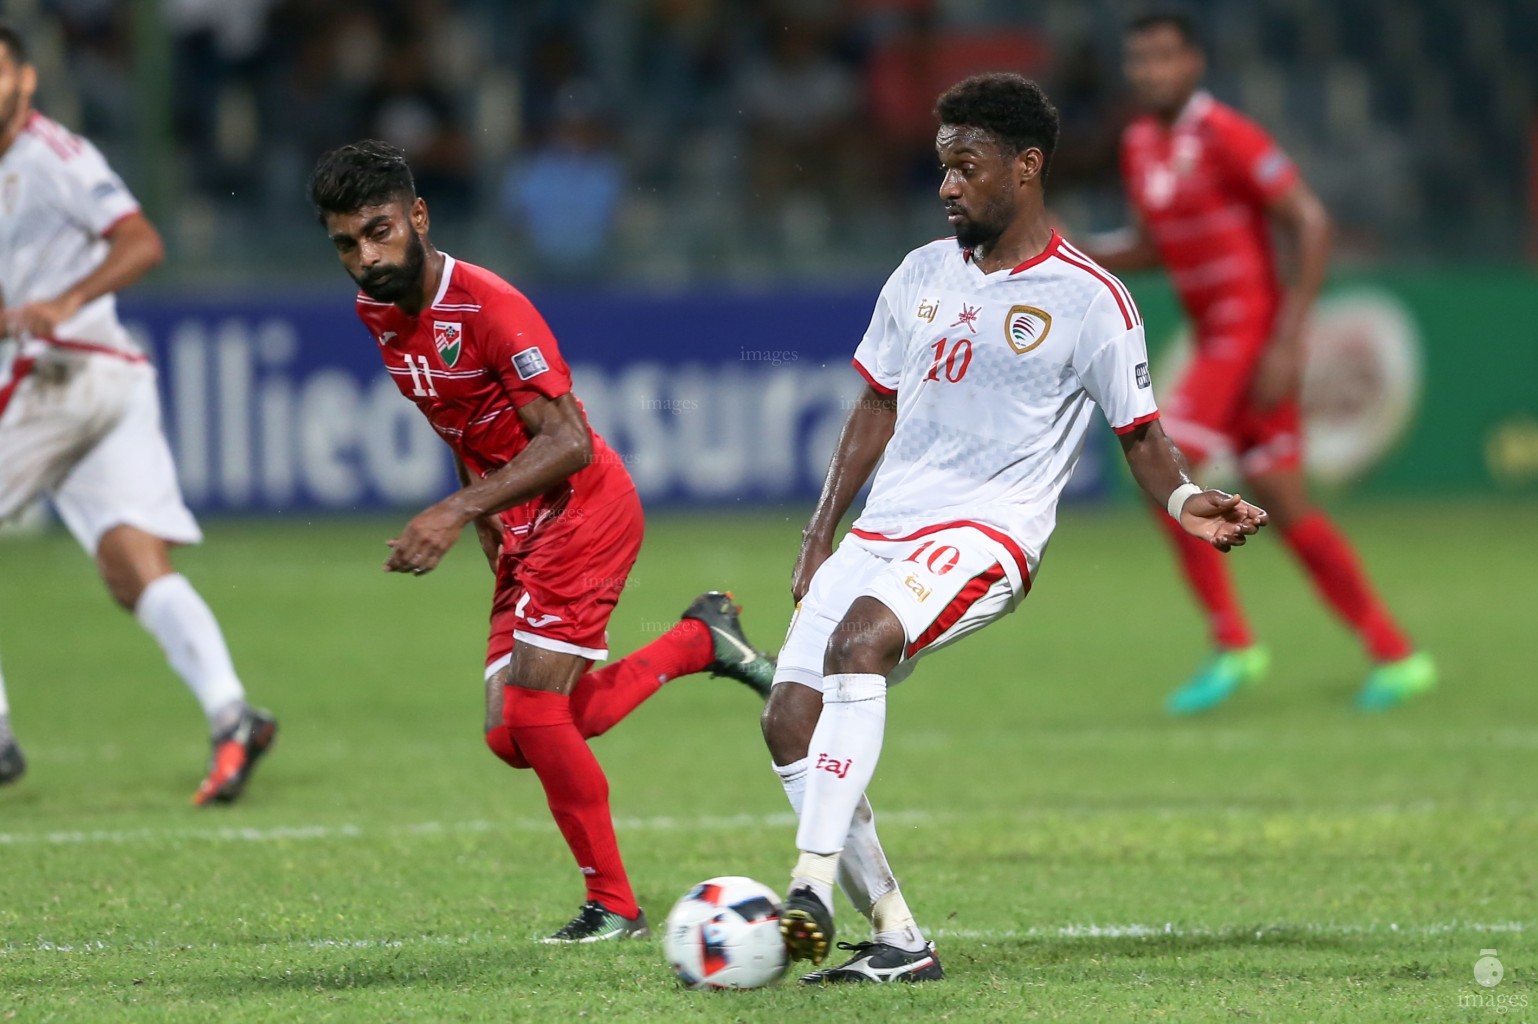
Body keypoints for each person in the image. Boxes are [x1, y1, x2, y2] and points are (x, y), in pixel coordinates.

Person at [762, 72, 1267, 980]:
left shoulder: (1091, 300)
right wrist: (818, 532)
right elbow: (874, 405)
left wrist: (1192, 504)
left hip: (987, 534)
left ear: (1026, 167)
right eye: (942, 166)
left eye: (968, 166)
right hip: (883, 530)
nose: (948, 184)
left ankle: (806, 883)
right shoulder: (919, 273)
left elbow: (1143, 438)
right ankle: (898, 940)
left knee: (861, 645)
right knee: (788, 720)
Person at [307, 140, 778, 943]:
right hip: (519, 519)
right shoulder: (377, 310)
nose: (367, 257)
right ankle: (698, 641)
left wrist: (455, 510)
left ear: (419, 216)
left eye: (380, 232)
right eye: (348, 243)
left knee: (533, 709)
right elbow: (460, 421)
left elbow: (569, 443)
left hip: (584, 507)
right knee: (513, 735)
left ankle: (615, 905)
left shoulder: (491, 307)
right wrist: (488, 517)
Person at [1076, 12, 1435, 713]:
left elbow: (1310, 220)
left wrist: (1290, 339)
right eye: (1139, 60)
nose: (1151, 71)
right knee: (1285, 498)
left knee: (1164, 470)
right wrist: (1077, 247)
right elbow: (1153, 247)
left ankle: (1234, 643)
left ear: (1194, 63)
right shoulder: (1140, 143)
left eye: (1163, 58)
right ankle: (1396, 653)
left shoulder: (1226, 134)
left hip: (1247, 336)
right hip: (1216, 335)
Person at [0, 23, 276, 804]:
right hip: (104, 382)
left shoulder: (54, 157)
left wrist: (64, 300)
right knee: (132, 565)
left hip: (64, 371)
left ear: (25, 80)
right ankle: (232, 715)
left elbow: (141, 240)